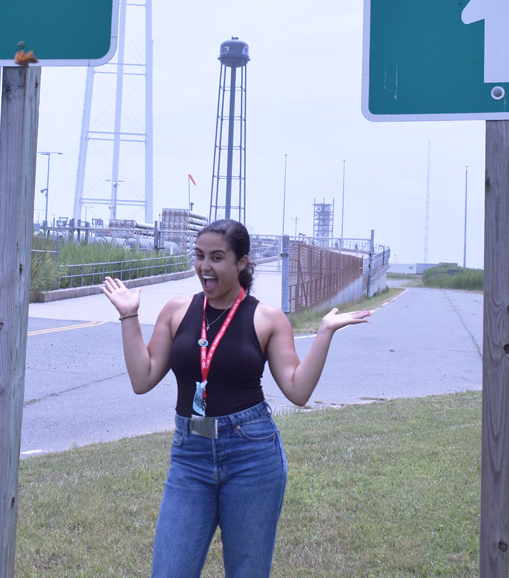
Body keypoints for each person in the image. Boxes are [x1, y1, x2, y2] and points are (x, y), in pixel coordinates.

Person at [101, 218, 372, 577]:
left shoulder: (266, 318)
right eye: (199, 256)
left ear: (241, 262)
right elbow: (142, 378)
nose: (204, 267)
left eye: (216, 257)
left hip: (251, 456)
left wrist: (324, 333)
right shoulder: (177, 311)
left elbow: (298, 389)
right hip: (190, 455)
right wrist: (129, 315)